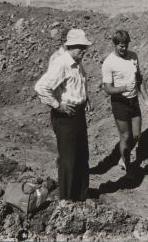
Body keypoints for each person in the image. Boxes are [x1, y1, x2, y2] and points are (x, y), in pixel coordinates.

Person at [34, 29, 92, 201]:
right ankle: (66, 201)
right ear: (71, 46)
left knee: (82, 157)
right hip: (66, 117)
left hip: (78, 113)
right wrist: (58, 105)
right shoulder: (61, 63)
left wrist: (85, 98)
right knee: (68, 160)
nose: (84, 50)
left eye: (85, 47)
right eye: (81, 47)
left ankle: (80, 197)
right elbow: (41, 87)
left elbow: (78, 83)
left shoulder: (77, 62)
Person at [102, 30, 148, 177]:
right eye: (121, 46)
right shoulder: (109, 63)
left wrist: (146, 99)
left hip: (134, 101)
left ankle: (124, 156)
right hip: (120, 102)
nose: (124, 49)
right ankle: (127, 165)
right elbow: (107, 89)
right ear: (115, 45)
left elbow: (139, 79)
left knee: (136, 135)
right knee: (125, 136)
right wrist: (123, 88)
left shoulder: (133, 57)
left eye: (126, 46)